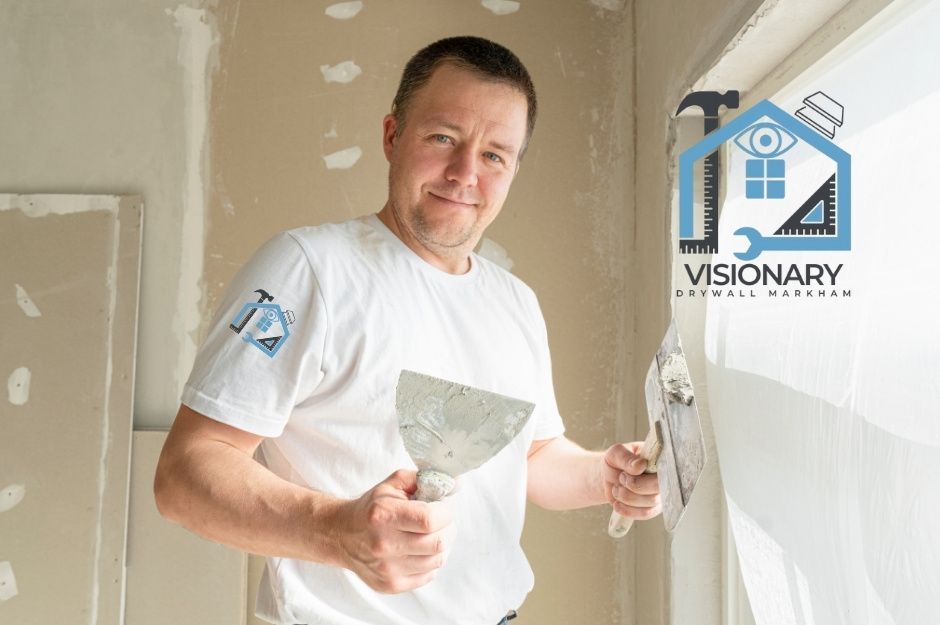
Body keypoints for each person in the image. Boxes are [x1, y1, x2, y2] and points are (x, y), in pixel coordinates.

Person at [154, 35, 661, 625]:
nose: (465, 173)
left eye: (495, 154)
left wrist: (606, 475)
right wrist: (336, 532)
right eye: (443, 137)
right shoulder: (308, 270)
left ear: (514, 169)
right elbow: (185, 475)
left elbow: (533, 455)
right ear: (393, 136)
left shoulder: (514, 302)